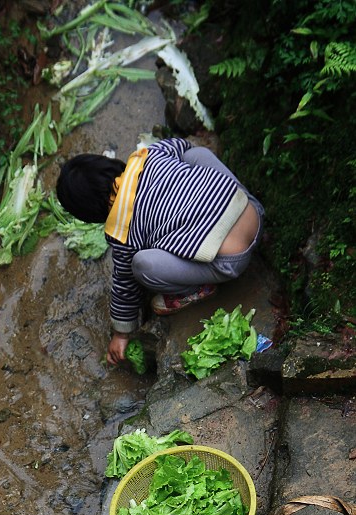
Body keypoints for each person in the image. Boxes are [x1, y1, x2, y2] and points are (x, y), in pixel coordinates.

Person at [56, 137, 264, 366]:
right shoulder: (148, 155)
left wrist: (121, 333)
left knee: (142, 265)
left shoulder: (121, 231)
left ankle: (197, 289)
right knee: (196, 155)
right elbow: (182, 145)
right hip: (250, 209)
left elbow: (125, 287)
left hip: (231, 261)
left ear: (90, 214)